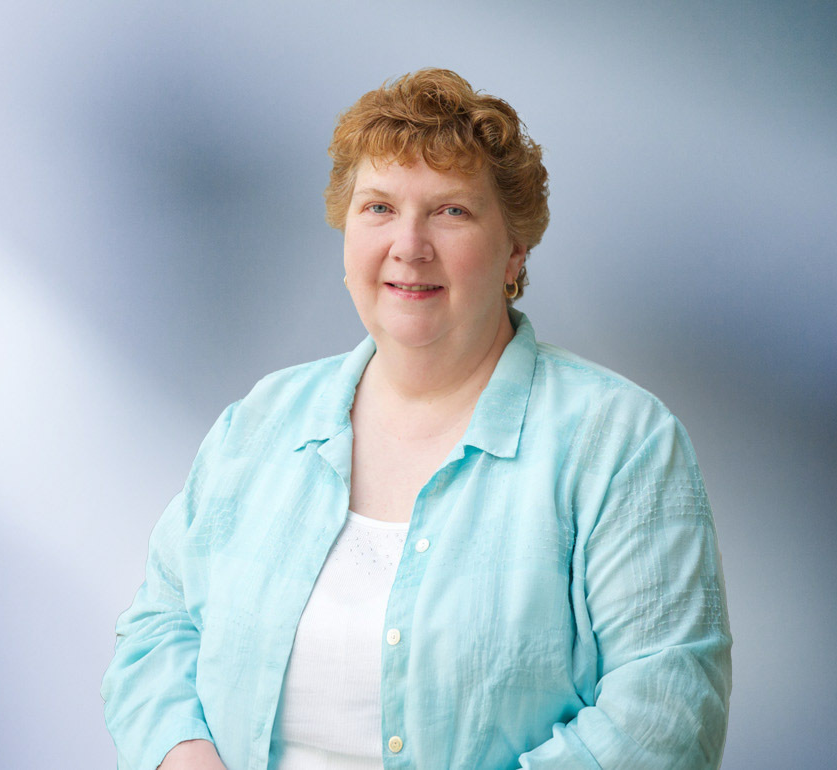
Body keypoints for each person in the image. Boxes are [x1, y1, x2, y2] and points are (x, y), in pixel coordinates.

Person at [101, 68, 731, 770]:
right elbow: (159, 631)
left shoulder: (620, 443)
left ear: (514, 252)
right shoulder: (260, 425)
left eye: (451, 211)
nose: (409, 244)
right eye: (378, 208)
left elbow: (667, 711)